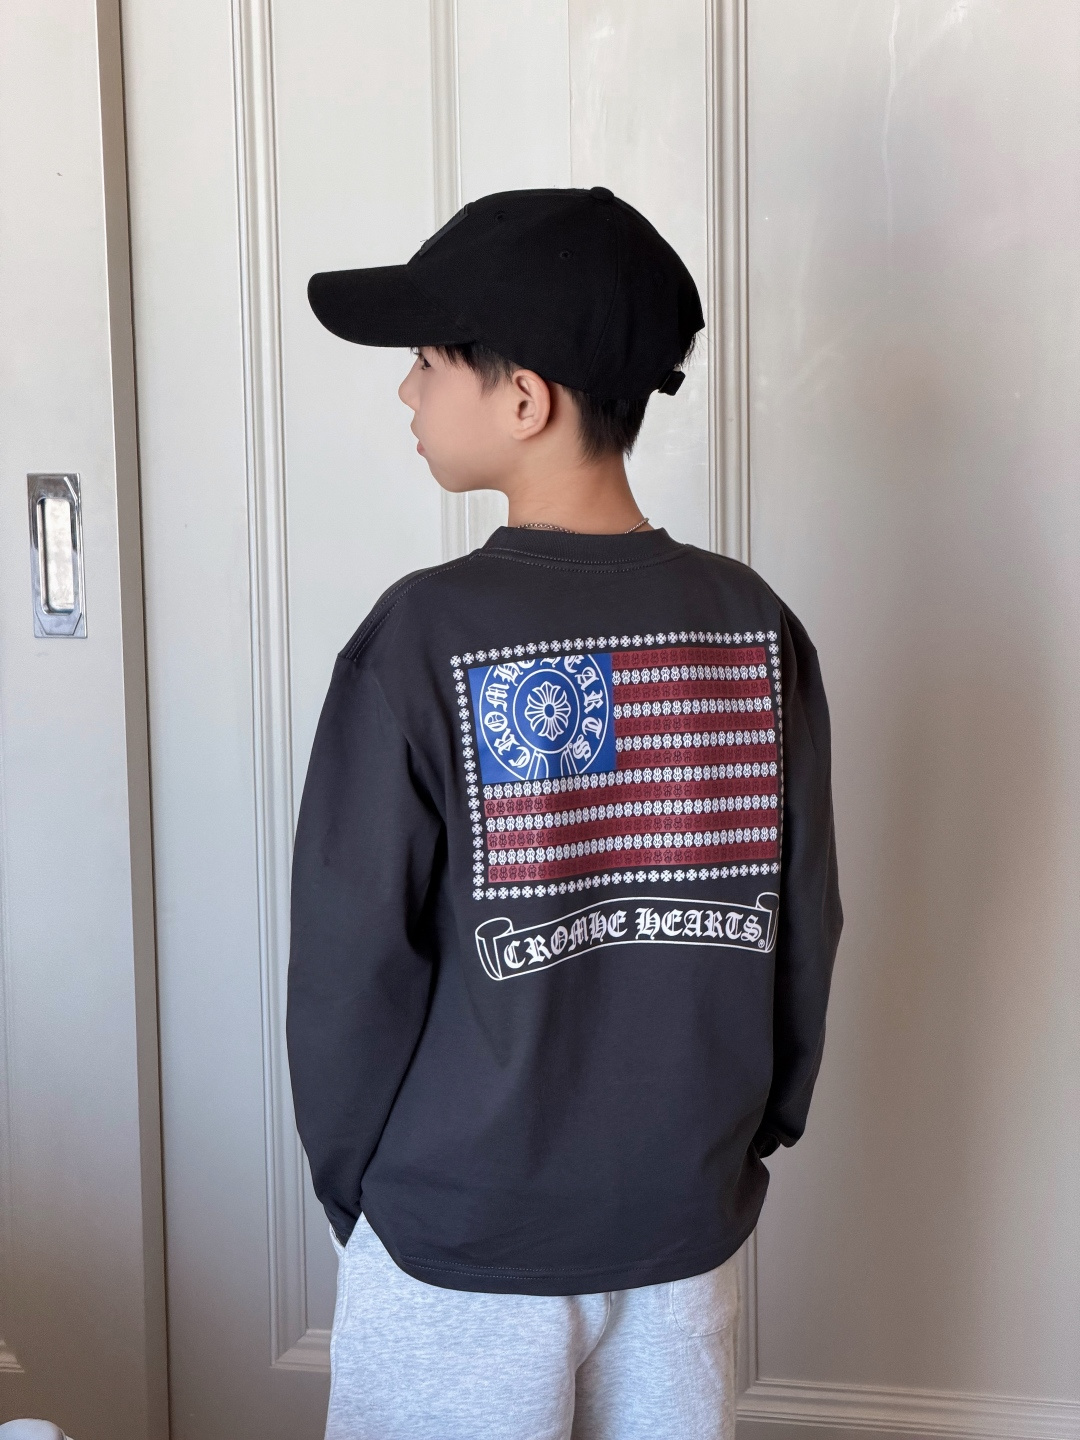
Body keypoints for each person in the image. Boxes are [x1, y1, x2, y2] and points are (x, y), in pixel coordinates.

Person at [287, 186, 842, 1440]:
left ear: (525, 398)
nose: (406, 392)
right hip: (678, 1222)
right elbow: (806, 922)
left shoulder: (420, 637)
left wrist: (363, 1192)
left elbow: (350, 961)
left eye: (427, 362)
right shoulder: (753, 627)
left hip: (460, 1235)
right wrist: (740, 1140)